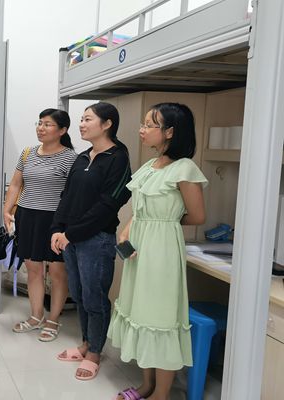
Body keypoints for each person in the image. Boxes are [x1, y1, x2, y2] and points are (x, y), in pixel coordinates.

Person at [108, 103, 207, 400]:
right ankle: (146, 386)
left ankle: (160, 394)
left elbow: (197, 216)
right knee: (142, 314)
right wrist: (128, 230)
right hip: (139, 249)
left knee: (160, 318)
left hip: (162, 251)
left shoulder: (185, 168)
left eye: (149, 125)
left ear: (170, 132)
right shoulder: (150, 166)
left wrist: (163, 222)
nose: (142, 129)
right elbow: (140, 210)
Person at [50, 102, 131, 380]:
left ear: (107, 124)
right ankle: (85, 343)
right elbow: (66, 196)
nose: (81, 124)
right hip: (70, 238)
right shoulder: (82, 157)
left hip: (97, 239)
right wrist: (57, 229)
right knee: (80, 295)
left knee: (95, 298)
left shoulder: (118, 158)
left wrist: (71, 233)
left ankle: (95, 351)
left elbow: (109, 205)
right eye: (81, 119)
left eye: (88, 119)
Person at [4, 108, 77, 341]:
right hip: (27, 216)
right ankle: (36, 316)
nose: (41, 128)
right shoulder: (28, 153)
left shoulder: (71, 158)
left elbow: (73, 194)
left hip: (56, 220)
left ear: (62, 130)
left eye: (47, 124)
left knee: (57, 272)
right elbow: (16, 184)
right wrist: (7, 209)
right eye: (39, 123)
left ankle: (53, 319)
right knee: (33, 269)